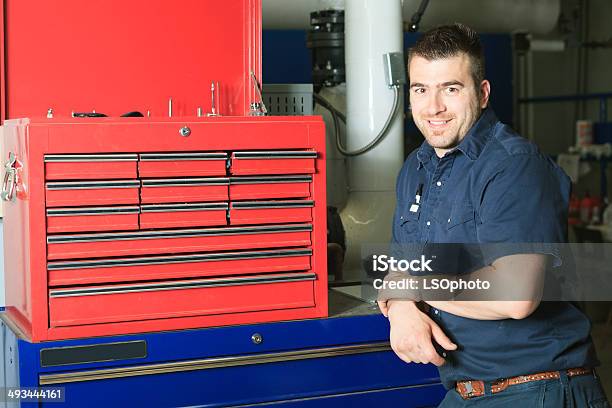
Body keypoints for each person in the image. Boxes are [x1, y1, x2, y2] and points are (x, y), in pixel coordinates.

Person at [377, 23, 610, 407]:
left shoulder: (514, 166)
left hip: (539, 388)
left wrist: (414, 286)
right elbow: (394, 268)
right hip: (467, 391)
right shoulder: (415, 170)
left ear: (482, 94)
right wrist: (400, 307)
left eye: (451, 89)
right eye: (421, 89)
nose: (433, 106)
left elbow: (514, 294)